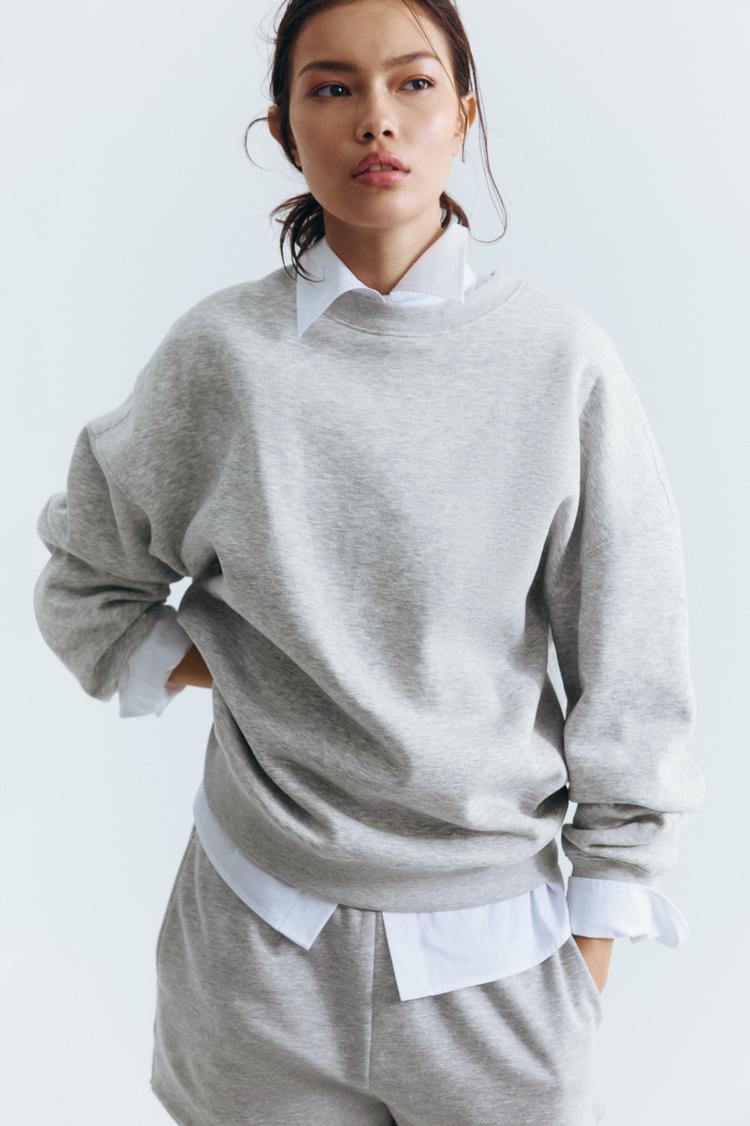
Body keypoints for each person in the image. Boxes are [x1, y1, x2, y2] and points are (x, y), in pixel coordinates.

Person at [32, 1, 706, 1123]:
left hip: (501, 961)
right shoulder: (222, 356)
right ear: (285, 128)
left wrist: (587, 960)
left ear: (465, 116)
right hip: (253, 944)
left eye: (414, 84)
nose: (376, 120)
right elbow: (87, 581)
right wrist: (242, 670)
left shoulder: (560, 364)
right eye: (333, 88)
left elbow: (634, 675)